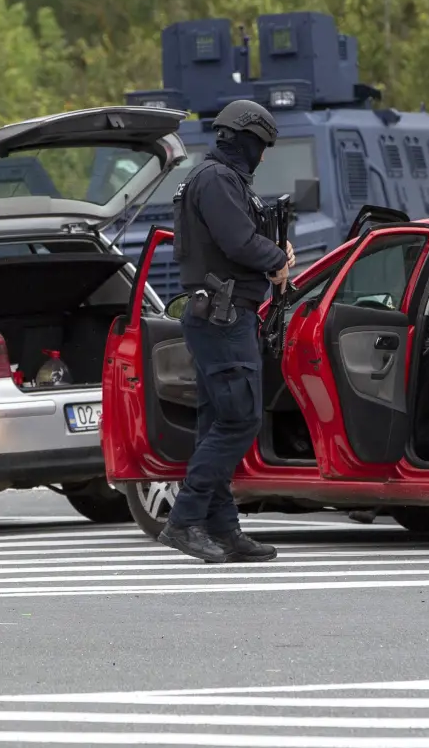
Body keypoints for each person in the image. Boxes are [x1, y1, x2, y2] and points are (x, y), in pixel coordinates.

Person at [159, 100, 294, 563]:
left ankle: (223, 528)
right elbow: (237, 241)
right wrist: (277, 261)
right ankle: (184, 520)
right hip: (224, 315)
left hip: (223, 314)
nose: (262, 155)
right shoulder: (216, 179)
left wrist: (273, 249)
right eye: (262, 145)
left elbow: (237, 238)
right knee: (240, 419)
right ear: (246, 137)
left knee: (216, 423)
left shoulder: (215, 178)